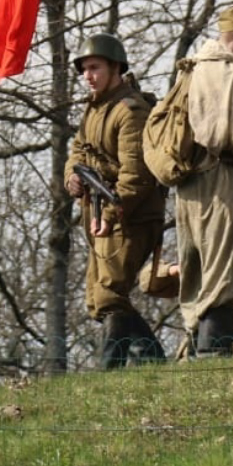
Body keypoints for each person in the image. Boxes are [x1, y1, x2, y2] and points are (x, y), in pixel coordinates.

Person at [171, 3, 233, 357]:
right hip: (218, 175)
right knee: (223, 266)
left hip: (190, 182)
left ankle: (199, 348)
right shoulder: (223, 70)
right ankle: (212, 349)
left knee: (198, 266)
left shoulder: (196, 66)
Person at [64, 32, 167, 368]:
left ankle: (110, 370)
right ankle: (152, 361)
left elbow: (135, 176)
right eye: (83, 70)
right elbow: (77, 151)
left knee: (109, 294)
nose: (88, 76)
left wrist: (109, 213)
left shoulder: (130, 111)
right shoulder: (94, 109)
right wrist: (72, 178)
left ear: (115, 67)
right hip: (100, 212)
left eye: (94, 68)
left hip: (129, 217)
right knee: (97, 301)